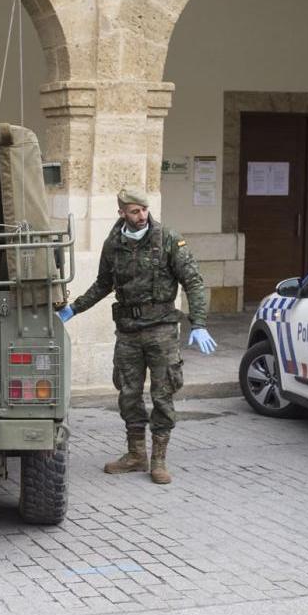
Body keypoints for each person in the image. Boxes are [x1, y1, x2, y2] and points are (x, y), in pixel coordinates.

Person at [58, 187, 216, 484]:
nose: (141, 216)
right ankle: (135, 454)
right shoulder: (113, 243)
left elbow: (193, 281)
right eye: (134, 211)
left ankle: (158, 460)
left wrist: (199, 323)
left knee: (163, 394)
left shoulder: (167, 238)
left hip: (162, 331)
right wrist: (74, 309)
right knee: (128, 394)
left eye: (144, 210)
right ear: (122, 213)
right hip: (128, 333)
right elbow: (103, 284)